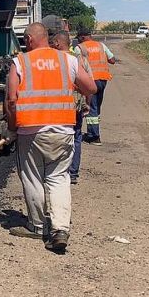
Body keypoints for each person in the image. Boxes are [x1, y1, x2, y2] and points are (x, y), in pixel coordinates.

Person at [5, 22, 97, 252]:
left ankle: (37, 226)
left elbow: (11, 100)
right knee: (59, 178)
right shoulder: (68, 60)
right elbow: (91, 88)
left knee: (33, 178)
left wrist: (12, 128)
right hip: (63, 130)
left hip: (30, 132)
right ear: (47, 38)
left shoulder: (20, 62)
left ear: (28, 39)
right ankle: (60, 229)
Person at [51, 31, 92, 184]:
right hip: (75, 106)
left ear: (57, 43)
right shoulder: (80, 60)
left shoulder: (53, 61)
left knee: (57, 137)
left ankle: (57, 171)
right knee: (76, 138)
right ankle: (73, 173)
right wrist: (87, 103)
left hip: (56, 107)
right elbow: (90, 85)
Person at [77, 27, 116, 145]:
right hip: (103, 79)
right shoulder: (101, 45)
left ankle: (94, 136)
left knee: (91, 107)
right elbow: (112, 60)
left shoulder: (80, 48)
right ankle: (94, 130)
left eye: (79, 38)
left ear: (82, 37)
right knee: (97, 106)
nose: (78, 41)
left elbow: (76, 65)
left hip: (90, 81)